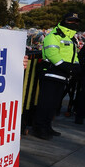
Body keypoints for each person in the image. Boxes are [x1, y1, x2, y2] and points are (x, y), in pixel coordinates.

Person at [32, 11, 81, 140]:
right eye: (70, 21)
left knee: (54, 104)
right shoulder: (53, 35)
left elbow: (74, 55)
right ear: (64, 21)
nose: (73, 23)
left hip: (63, 75)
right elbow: (52, 54)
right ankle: (38, 128)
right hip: (51, 73)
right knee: (45, 103)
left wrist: (76, 66)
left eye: (75, 22)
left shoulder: (71, 38)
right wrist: (67, 67)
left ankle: (47, 126)